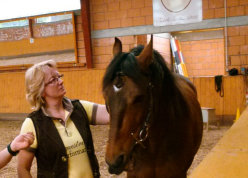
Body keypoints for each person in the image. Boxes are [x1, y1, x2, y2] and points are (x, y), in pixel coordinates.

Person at [17, 60, 109, 178]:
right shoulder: (32, 124)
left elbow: (111, 114)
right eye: (53, 80)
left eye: (59, 76)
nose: (61, 81)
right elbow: (22, 168)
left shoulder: (80, 108)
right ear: (41, 90)